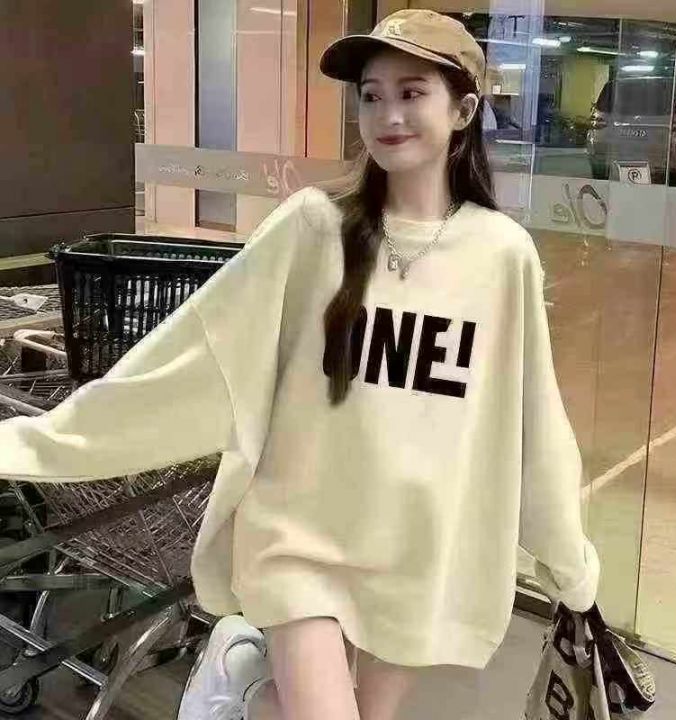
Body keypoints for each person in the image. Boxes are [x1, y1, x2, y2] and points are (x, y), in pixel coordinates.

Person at [0, 9, 600, 720]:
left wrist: (570, 565)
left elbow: (530, 419)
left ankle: (248, 689)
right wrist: (34, 442)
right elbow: (195, 356)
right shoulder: (313, 225)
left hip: (418, 552)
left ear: (464, 111)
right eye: (371, 95)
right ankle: (253, 681)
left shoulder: (501, 254)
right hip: (302, 537)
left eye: (412, 93)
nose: (388, 115)